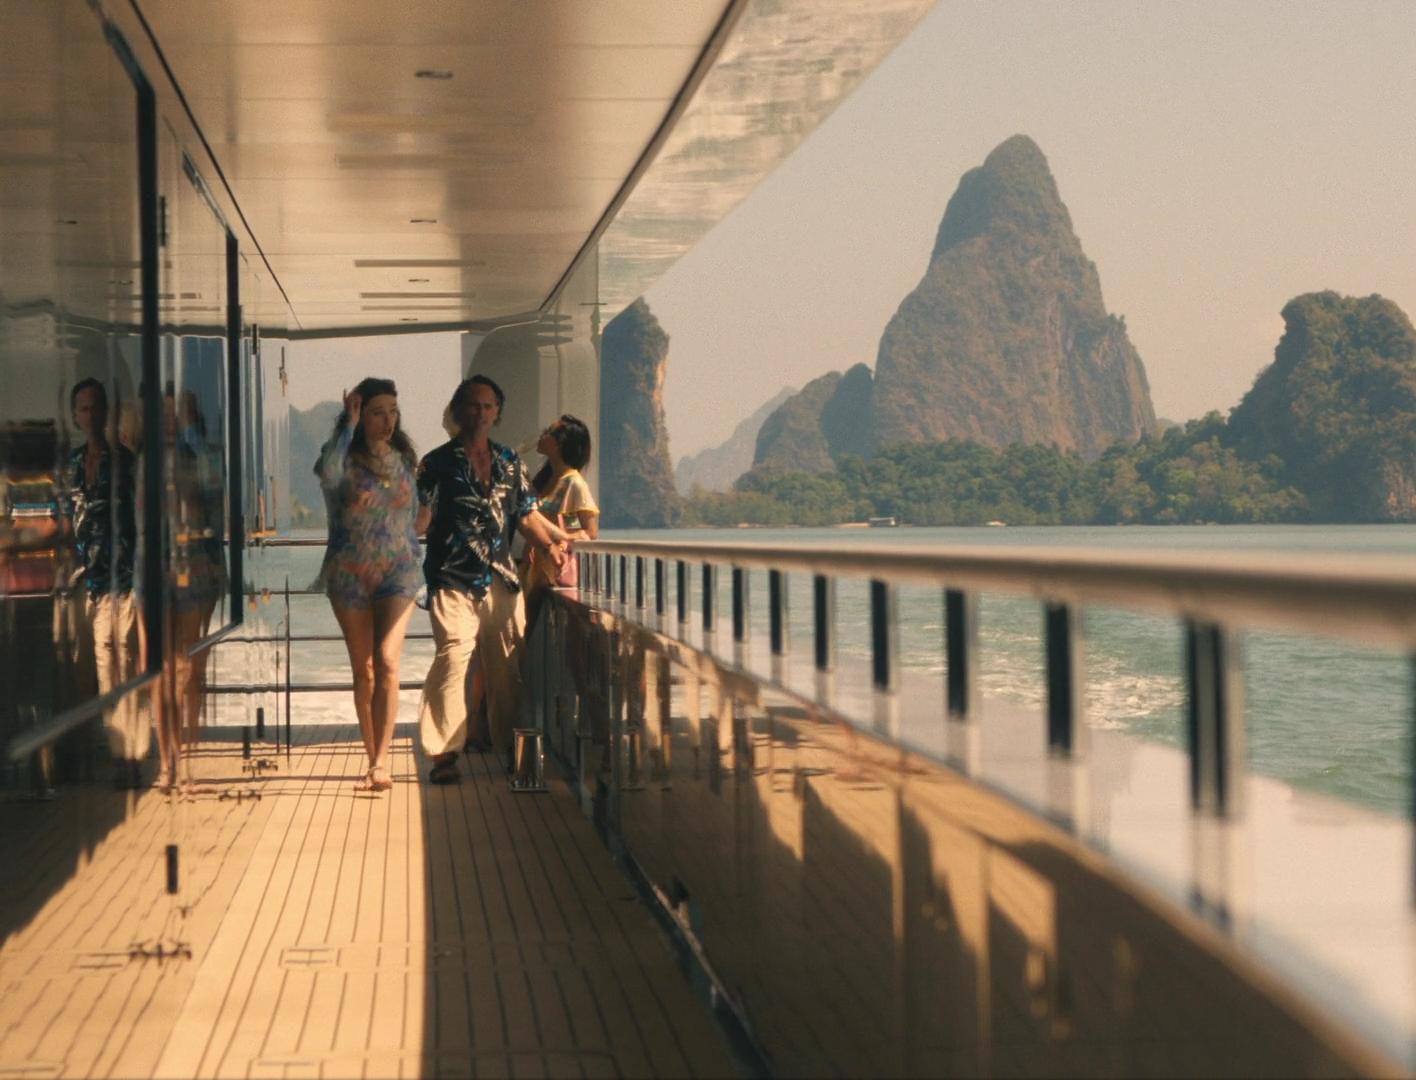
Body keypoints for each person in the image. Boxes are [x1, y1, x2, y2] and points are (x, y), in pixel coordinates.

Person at [416, 374, 567, 784]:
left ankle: (512, 749)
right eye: (473, 405)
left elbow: (526, 514)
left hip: (501, 577)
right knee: (453, 656)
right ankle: (444, 753)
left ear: (497, 412)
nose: (480, 413)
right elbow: (421, 515)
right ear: (458, 410)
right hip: (451, 575)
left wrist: (552, 544)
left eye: (488, 406)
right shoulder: (435, 463)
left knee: (507, 668)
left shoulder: (509, 462)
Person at [315, 377, 423, 792]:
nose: (388, 420)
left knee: (388, 661)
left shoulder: (405, 459)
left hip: (399, 572)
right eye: (377, 413)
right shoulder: (341, 457)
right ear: (361, 416)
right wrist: (348, 423)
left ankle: (381, 763)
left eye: (393, 411)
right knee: (365, 670)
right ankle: (371, 754)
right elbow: (327, 474)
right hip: (350, 574)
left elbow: (415, 512)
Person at [60, 378, 141, 765]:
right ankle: (106, 742)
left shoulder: (124, 461)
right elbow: (64, 518)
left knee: (120, 654)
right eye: (84, 408)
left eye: (95, 407)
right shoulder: (72, 464)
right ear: (75, 415)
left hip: (121, 576)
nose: (90, 415)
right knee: (93, 662)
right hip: (84, 579)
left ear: (106, 412)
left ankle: (123, 744)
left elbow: (140, 517)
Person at [521, 414, 598, 632]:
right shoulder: (546, 480)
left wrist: (564, 541)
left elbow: (590, 531)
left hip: (552, 571)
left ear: (560, 443)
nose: (542, 435)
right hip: (534, 569)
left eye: (549, 432)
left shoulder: (574, 483)